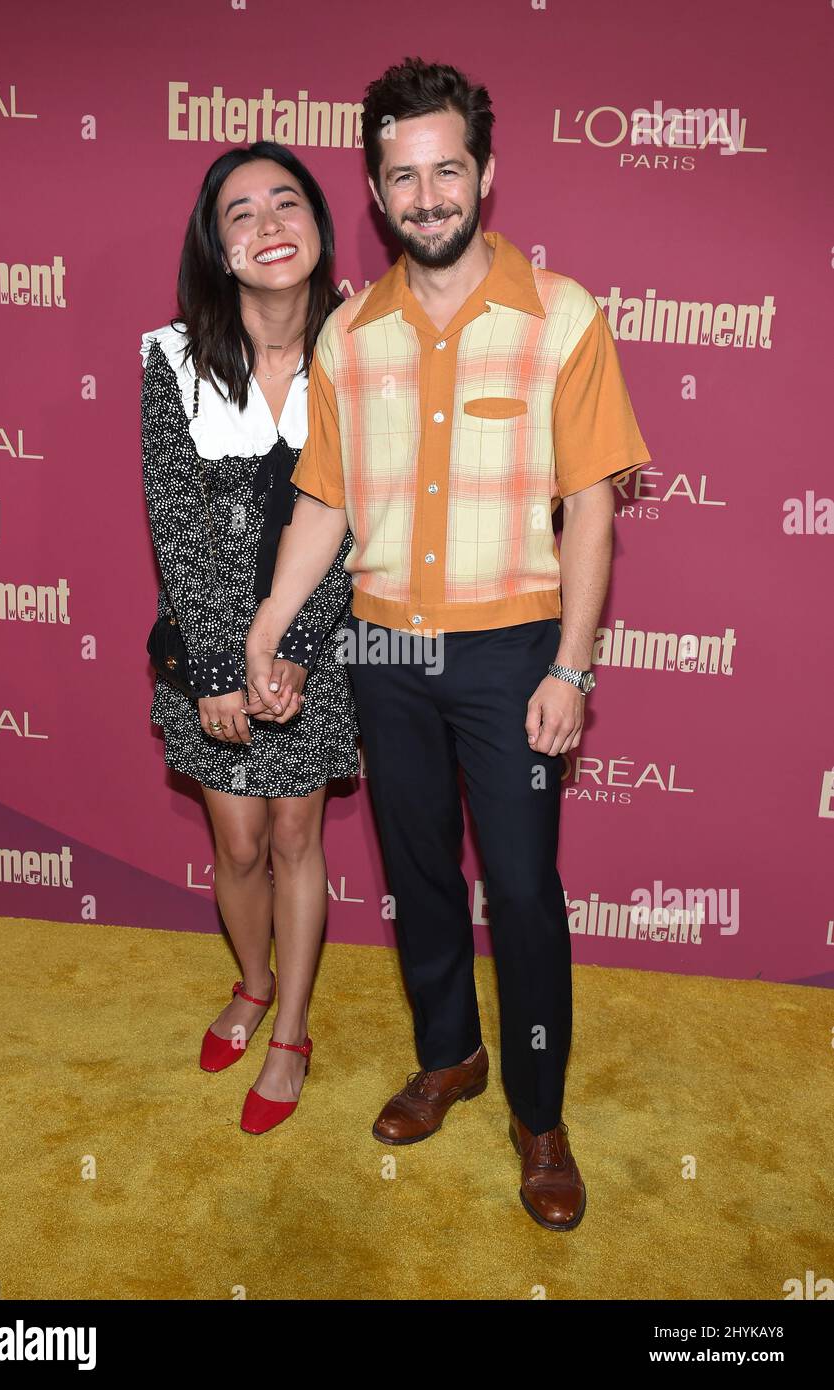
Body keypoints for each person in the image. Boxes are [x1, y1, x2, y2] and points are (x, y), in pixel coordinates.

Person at [245, 58, 651, 1229]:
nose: (425, 196)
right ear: (375, 192)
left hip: (513, 650)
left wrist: (570, 665)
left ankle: (537, 1109)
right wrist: (269, 628)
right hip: (384, 653)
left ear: (485, 175)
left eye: (446, 171)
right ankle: (449, 1057)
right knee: (418, 874)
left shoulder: (561, 315)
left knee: (521, 891)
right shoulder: (347, 337)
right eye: (401, 177)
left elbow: (592, 505)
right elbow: (324, 502)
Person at [140, 142, 359, 1136]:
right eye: (241, 212)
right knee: (235, 839)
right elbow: (176, 523)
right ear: (219, 248)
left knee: (294, 834)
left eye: (286, 203)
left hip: (321, 634)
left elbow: (362, 521)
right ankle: (254, 979)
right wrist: (220, 667)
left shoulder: (368, 348)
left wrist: (299, 647)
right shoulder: (172, 356)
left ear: (318, 225)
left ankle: (293, 1030)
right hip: (209, 636)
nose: (268, 224)